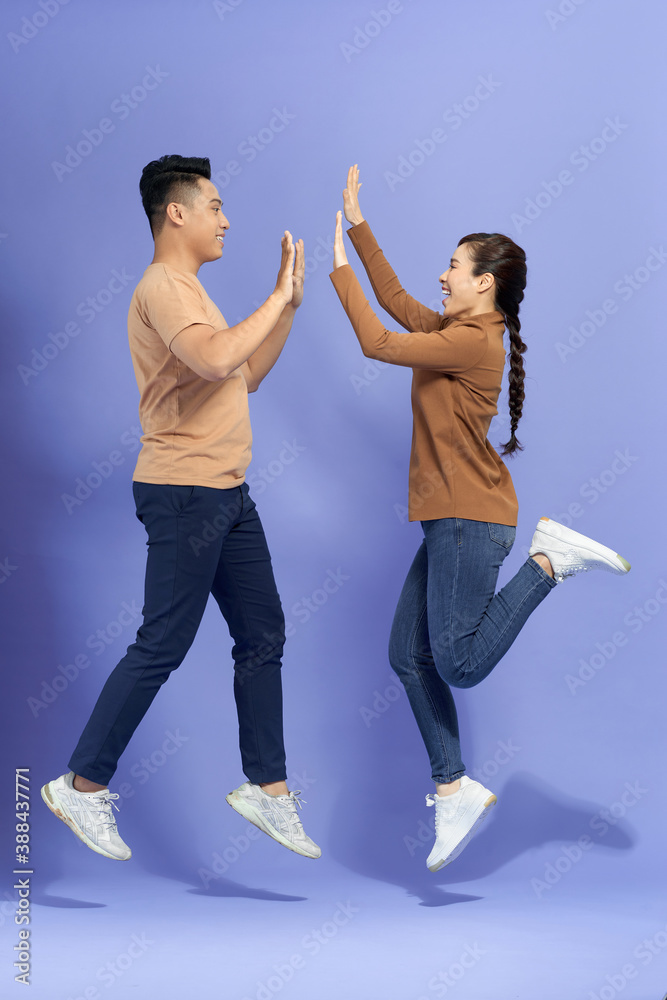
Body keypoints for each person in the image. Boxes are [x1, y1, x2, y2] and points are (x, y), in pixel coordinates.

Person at [330, 165, 631, 872]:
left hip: (469, 517)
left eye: (453, 266)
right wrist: (358, 225)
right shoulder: (461, 327)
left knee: (457, 664)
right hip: (451, 517)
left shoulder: (472, 340)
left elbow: (377, 343)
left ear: (483, 282)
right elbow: (400, 307)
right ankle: (453, 785)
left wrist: (338, 269)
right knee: (407, 657)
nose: (442, 275)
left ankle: (546, 562)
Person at [41, 155, 319, 862]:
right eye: (216, 206)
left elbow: (245, 374)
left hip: (226, 490)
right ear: (177, 212)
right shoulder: (162, 288)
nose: (227, 220)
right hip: (184, 492)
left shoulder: (193, 290)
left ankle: (268, 789)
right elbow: (218, 360)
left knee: (262, 634)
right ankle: (81, 783)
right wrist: (275, 293)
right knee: (162, 643)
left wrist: (285, 306)